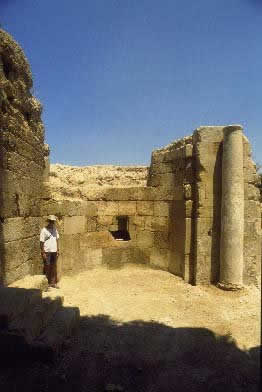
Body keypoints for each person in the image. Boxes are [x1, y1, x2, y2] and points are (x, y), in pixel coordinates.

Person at [40, 215, 60, 289]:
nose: (52, 223)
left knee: (54, 267)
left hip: (54, 251)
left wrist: (58, 249)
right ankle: (46, 284)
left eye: (53, 221)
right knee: (47, 267)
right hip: (47, 252)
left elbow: (57, 239)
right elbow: (41, 242)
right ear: (48, 222)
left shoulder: (55, 229)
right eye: (51, 221)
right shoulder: (44, 230)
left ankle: (53, 283)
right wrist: (43, 252)